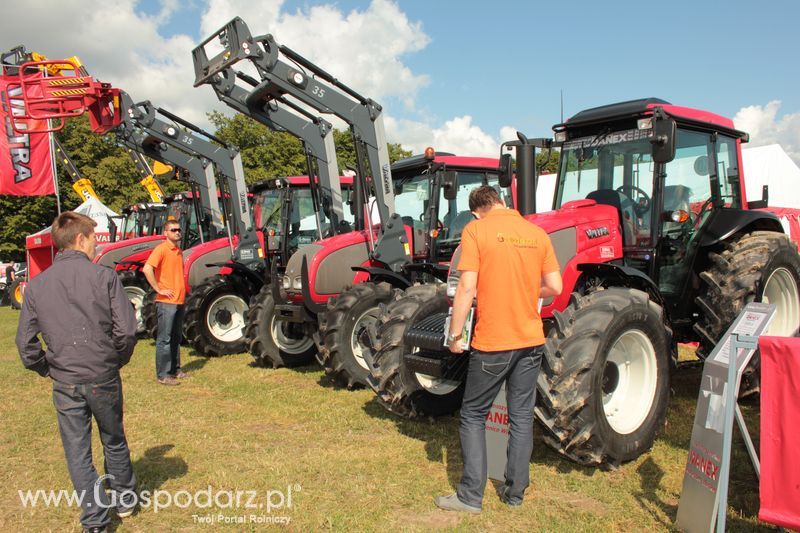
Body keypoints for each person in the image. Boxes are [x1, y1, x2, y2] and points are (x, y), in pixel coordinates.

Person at [435, 186, 563, 513]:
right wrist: (521, 288)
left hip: (494, 341)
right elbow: (555, 287)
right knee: (521, 417)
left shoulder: (476, 230)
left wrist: (454, 335)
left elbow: (466, 286)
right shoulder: (536, 233)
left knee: (473, 414)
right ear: (502, 203)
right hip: (531, 340)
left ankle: (469, 496)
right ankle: (515, 493)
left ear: (478, 211)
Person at [16, 212, 138, 532]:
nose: (97, 244)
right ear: (80, 239)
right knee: (112, 438)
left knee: (78, 451)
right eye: (94, 238)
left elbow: (26, 346)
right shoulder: (103, 277)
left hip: (70, 377)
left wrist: (49, 368)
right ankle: (122, 500)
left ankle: (97, 519)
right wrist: (114, 360)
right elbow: (126, 331)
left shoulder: (38, 285)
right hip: (97, 373)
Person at [143, 219, 188, 385]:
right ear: (166, 233)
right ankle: (163, 375)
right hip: (167, 301)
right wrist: (158, 289)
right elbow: (147, 268)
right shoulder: (161, 249)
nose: (177, 232)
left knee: (176, 337)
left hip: (179, 300)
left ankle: (175, 370)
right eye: (173, 230)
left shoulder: (178, 250)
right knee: (165, 338)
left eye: (178, 229)